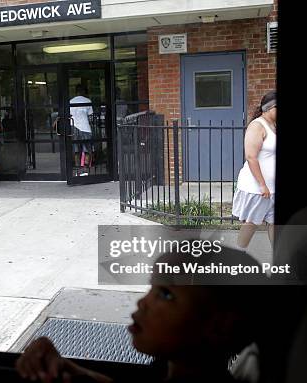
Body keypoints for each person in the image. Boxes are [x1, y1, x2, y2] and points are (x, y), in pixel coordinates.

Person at [15, 244, 266, 383]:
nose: (143, 302)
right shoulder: (172, 369)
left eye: (165, 294)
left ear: (219, 326)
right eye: (151, 288)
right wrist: (71, 368)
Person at [232, 90, 277, 250]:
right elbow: (251, 157)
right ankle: (237, 255)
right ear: (271, 107)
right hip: (258, 188)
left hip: (272, 188)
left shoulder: (273, 125)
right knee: (251, 223)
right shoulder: (257, 126)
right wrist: (262, 184)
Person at [70, 84, 94, 176]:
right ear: (84, 91)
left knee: (76, 150)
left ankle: (77, 170)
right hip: (85, 127)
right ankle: (85, 169)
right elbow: (90, 115)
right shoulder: (88, 101)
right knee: (87, 149)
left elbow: (69, 115)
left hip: (74, 127)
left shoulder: (71, 101)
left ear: (76, 91)